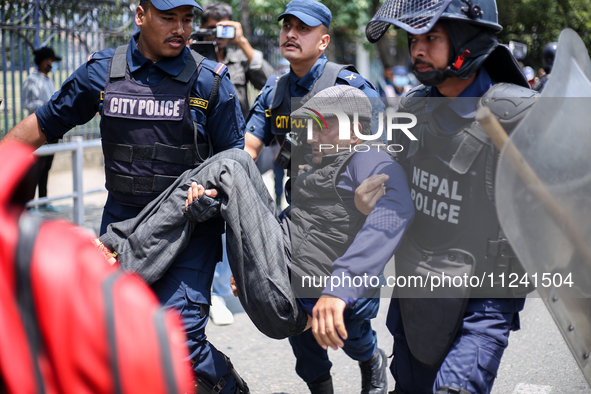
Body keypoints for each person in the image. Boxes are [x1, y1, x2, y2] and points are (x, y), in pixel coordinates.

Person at [95, 85, 415, 394]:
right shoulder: (323, 158)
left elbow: (395, 211)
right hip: (281, 274)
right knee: (237, 162)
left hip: (291, 302)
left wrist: (339, 289)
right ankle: (122, 250)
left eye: (325, 125)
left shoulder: (368, 159)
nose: (313, 133)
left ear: (357, 130)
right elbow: (290, 225)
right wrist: (230, 227)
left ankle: (119, 253)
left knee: (230, 167)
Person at [0, 0, 246, 392]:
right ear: (140, 14)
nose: (180, 28)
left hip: (189, 233)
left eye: (187, 19)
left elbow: (238, 167)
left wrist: (216, 204)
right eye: (168, 17)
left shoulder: (209, 81)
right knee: (117, 342)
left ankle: (229, 386)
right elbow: (42, 125)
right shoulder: (102, 72)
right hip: (121, 231)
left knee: (181, 344)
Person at [363, 0, 537, 393]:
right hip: (419, 288)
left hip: (486, 296)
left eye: (432, 37)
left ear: (467, 41)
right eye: (413, 38)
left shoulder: (518, 115)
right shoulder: (413, 108)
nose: (417, 49)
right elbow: (388, 188)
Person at [199, 1, 275, 326]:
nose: (219, 34)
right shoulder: (191, 53)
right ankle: (213, 293)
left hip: (236, 148)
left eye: (225, 26)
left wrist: (243, 43)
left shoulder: (239, 54)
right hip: (201, 150)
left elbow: (271, 79)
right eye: (213, 26)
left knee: (237, 220)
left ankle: (233, 285)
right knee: (206, 219)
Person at [199, 1, 275, 117]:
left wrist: (242, 42)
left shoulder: (240, 58)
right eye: (213, 29)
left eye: (224, 29)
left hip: (237, 129)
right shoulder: (193, 57)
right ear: (202, 29)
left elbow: (271, 85)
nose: (219, 34)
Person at [21, 46, 62, 212]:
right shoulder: (32, 80)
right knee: (37, 166)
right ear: (44, 61)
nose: (52, 64)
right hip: (38, 128)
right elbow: (27, 104)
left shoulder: (48, 80)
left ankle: (44, 201)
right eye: (50, 61)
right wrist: (44, 105)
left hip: (51, 129)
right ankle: (30, 205)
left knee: (47, 167)